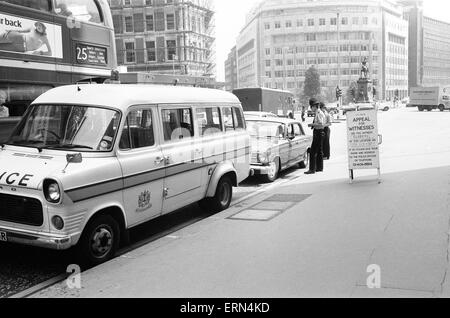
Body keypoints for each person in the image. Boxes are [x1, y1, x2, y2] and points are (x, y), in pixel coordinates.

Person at [305, 98, 326, 175]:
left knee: (312, 151)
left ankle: (312, 169)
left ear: (314, 106)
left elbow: (320, 124)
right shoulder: (319, 112)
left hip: (318, 132)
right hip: (319, 132)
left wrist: (312, 124)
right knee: (320, 151)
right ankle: (319, 168)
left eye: (311, 107)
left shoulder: (319, 113)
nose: (311, 108)